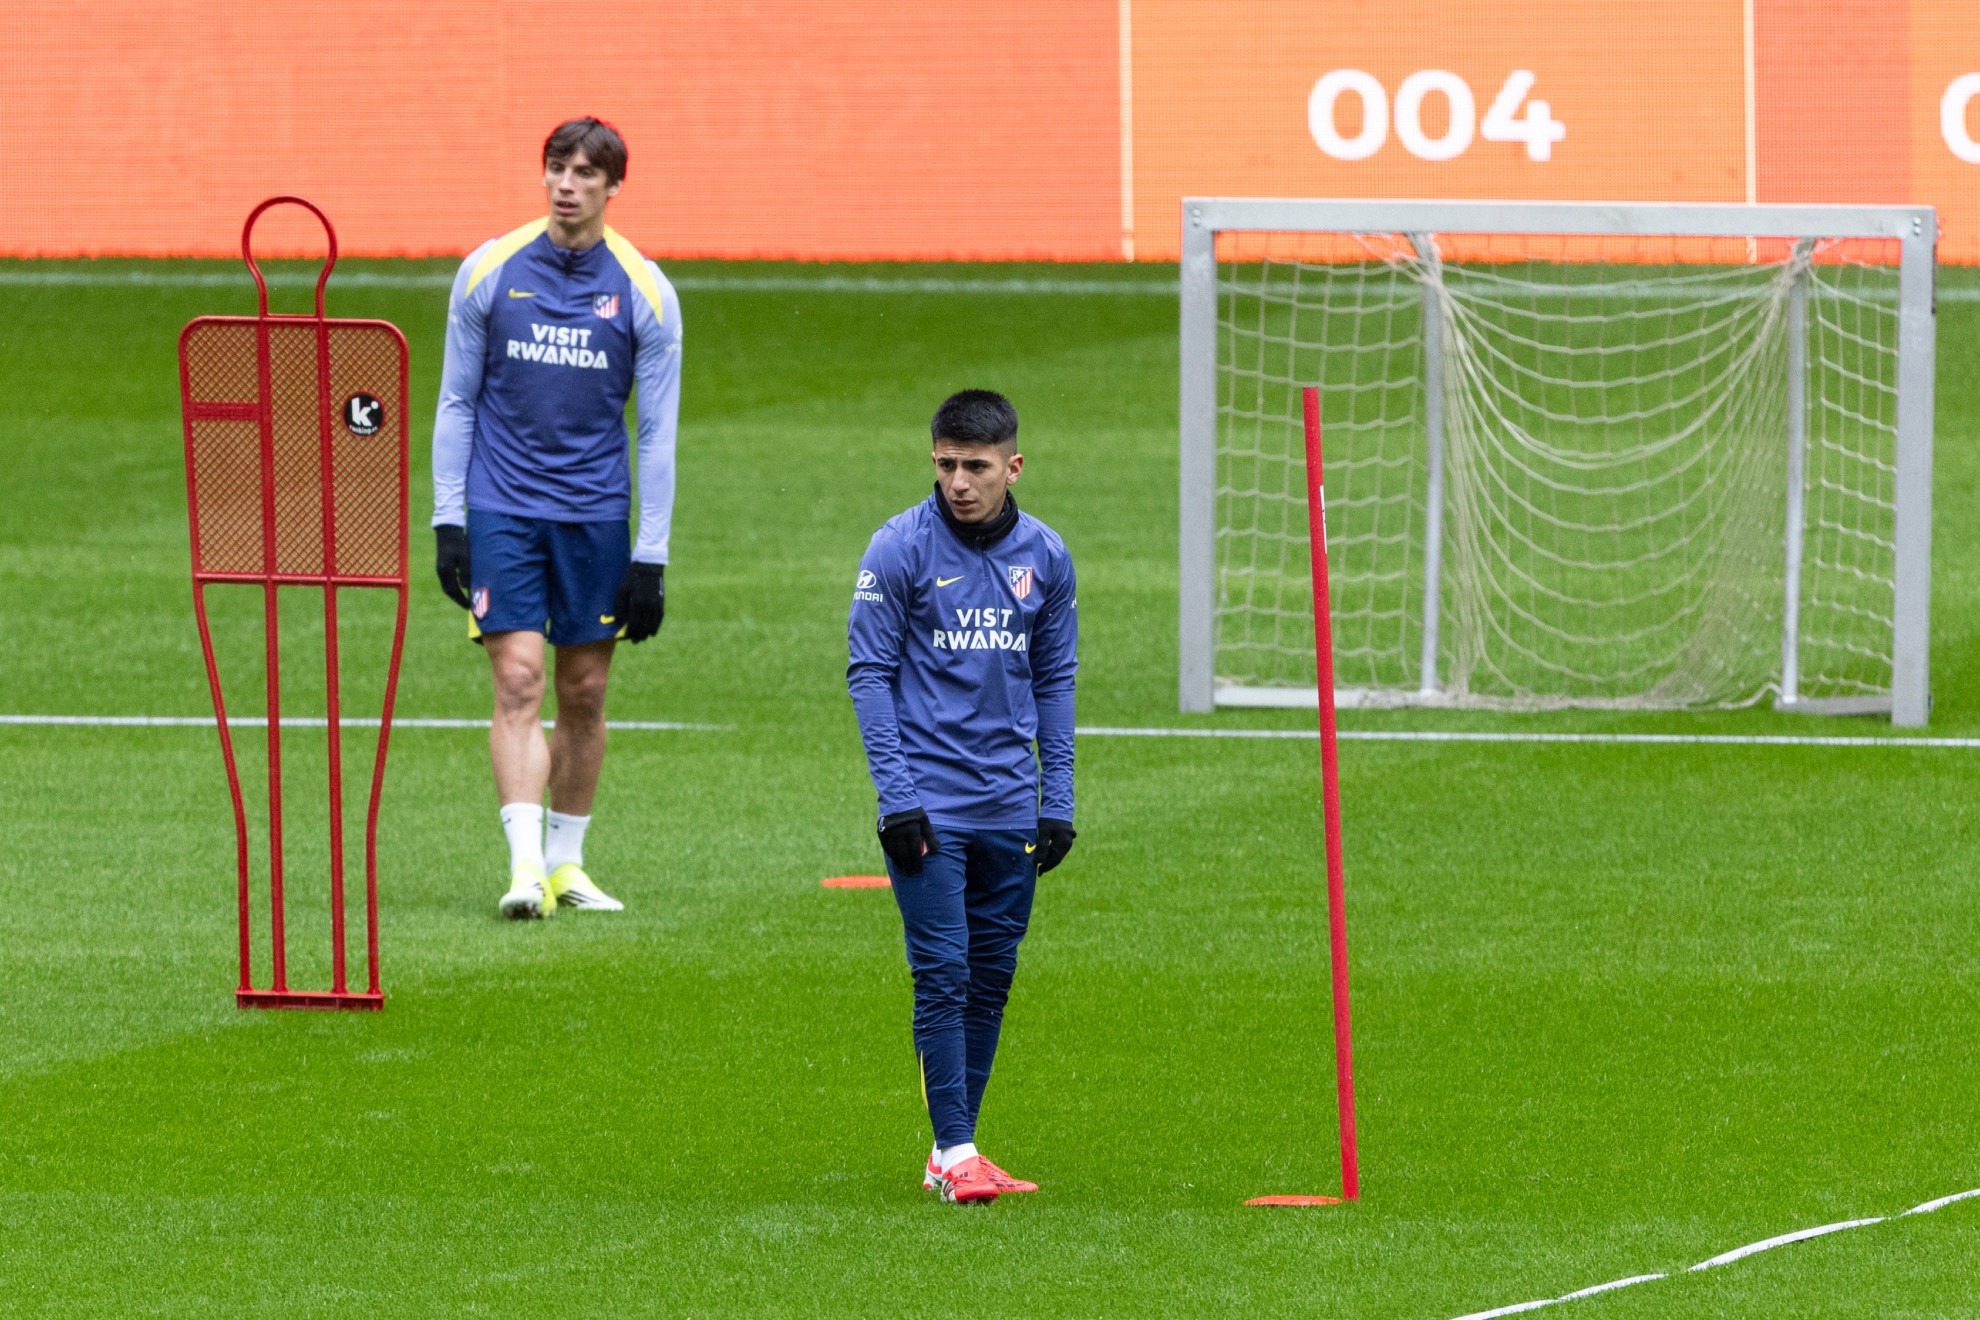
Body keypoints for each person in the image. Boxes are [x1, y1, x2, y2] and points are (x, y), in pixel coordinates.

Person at [430, 117, 683, 919]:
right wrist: (448, 519)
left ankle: (569, 867)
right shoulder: (489, 272)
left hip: (595, 517)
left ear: (614, 187)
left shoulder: (645, 291)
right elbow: (456, 400)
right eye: (555, 168)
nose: (566, 184)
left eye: (583, 173)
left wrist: (651, 555)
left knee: (584, 689)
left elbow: (657, 433)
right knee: (518, 679)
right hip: (503, 506)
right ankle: (524, 867)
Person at [846, 389, 1079, 1204]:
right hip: (929, 806)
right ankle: (955, 1146)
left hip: (1010, 805)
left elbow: (1054, 678)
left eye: (975, 467)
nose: (958, 482)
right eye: (944, 465)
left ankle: (955, 1152)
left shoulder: (1046, 557)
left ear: (1013, 467)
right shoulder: (898, 548)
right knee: (942, 971)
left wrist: (1059, 798)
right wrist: (897, 796)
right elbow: (868, 675)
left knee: (990, 977)